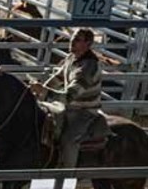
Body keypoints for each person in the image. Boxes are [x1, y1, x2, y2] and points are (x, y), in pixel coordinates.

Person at [31, 28, 104, 169]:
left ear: (88, 44)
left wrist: (44, 91)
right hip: (68, 107)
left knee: (69, 140)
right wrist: (39, 91)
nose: (72, 41)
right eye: (72, 38)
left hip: (84, 111)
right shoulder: (71, 58)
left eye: (77, 39)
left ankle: (66, 173)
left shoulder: (89, 67)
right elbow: (57, 78)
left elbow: (70, 95)